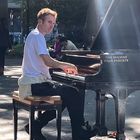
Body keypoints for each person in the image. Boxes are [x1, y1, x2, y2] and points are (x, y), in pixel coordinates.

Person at [18, 8, 96, 140]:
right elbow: (48, 61)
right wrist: (66, 65)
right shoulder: (37, 36)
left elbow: (45, 63)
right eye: (49, 22)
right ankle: (79, 133)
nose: (51, 26)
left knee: (68, 95)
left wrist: (60, 67)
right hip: (34, 85)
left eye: (53, 23)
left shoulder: (35, 35)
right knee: (74, 92)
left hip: (34, 83)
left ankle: (36, 126)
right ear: (40, 21)